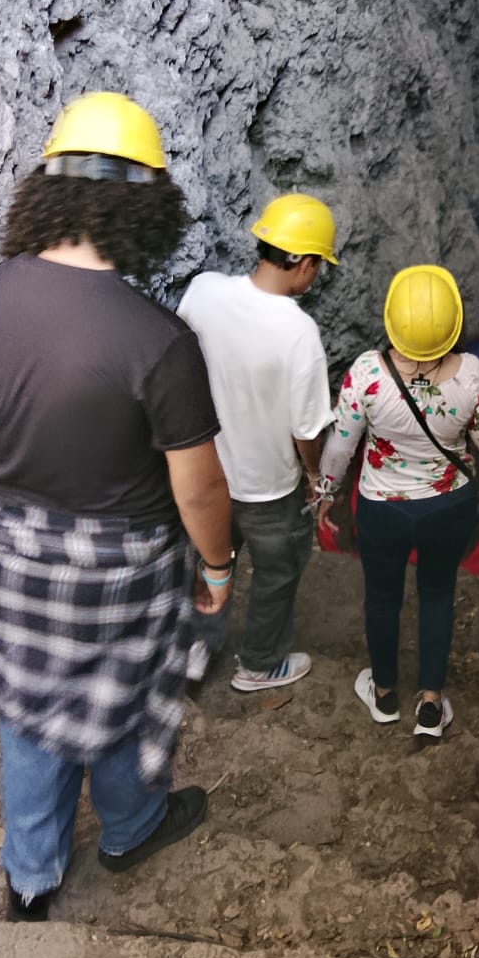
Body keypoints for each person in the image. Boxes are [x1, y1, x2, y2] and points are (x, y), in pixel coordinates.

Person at [0, 92, 236, 922]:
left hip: (9, 554)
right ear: (145, 208)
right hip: (121, 571)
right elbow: (199, 488)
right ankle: (130, 828)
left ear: (48, 191)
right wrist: (216, 568)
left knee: (29, 710)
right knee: (129, 699)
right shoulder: (158, 342)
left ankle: (30, 876)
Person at [316, 265, 479, 744]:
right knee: (436, 595)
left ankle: (386, 694)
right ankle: (430, 703)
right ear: (452, 326)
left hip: (381, 509)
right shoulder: (471, 377)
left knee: (382, 598)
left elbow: (339, 449)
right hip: (447, 508)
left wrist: (326, 495)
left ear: (392, 322)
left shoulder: (367, 373)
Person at [177, 193, 337, 692]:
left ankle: (192, 653)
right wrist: (313, 476)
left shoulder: (202, 292)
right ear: (305, 265)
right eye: (318, 268)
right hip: (267, 489)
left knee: (208, 558)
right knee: (277, 571)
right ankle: (261, 664)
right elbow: (307, 430)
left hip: (204, 476)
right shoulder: (299, 333)